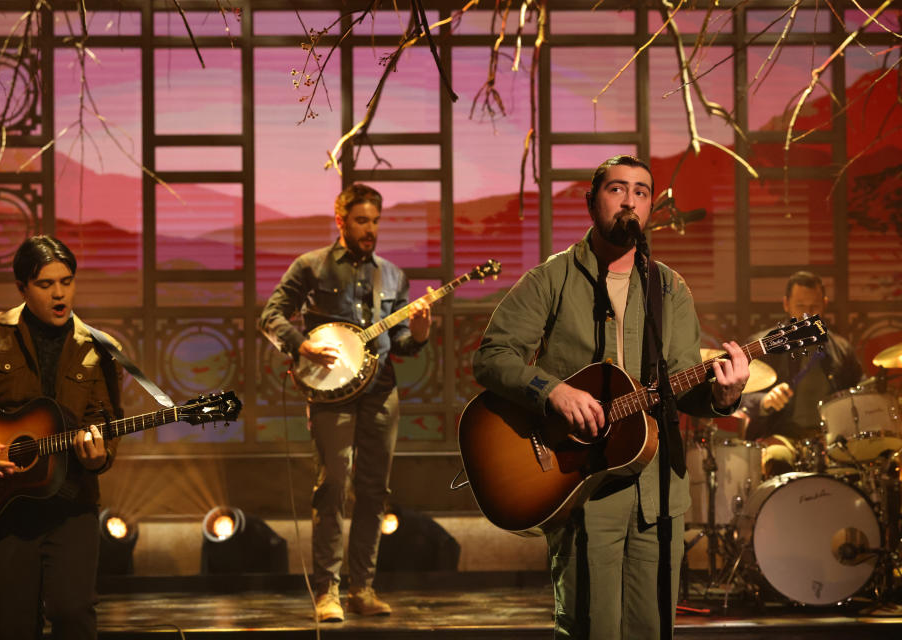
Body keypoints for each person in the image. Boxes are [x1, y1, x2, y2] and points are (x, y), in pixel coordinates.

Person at [472, 155, 749, 640]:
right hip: (580, 485)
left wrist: (724, 397)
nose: (630, 201)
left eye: (641, 192)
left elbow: (683, 382)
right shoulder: (551, 279)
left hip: (657, 490)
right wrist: (551, 391)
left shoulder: (669, 287)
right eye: (618, 189)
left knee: (650, 627)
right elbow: (493, 356)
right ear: (591, 201)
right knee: (591, 627)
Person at [259, 183, 431, 623]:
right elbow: (270, 316)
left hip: (381, 392)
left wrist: (422, 332)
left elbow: (402, 344)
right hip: (330, 394)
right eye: (361, 221)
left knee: (374, 492)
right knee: (333, 487)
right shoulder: (311, 266)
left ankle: (362, 588)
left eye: (375, 221)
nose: (370, 229)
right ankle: (327, 591)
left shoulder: (392, 276)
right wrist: (302, 346)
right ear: (340, 220)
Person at [0, 235, 122, 640]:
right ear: (22, 288)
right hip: (0, 508)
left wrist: (97, 456)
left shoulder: (100, 349)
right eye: (45, 284)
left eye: (67, 281)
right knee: (11, 625)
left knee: (73, 613)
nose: (60, 293)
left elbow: (106, 424)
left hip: (71, 504)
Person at [741, 270, 863, 475]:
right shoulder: (764, 347)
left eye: (814, 306)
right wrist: (764, 401)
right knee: (776, 460)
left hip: (830, 439)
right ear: (786, 304)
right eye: (800, 306)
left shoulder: (841, 349)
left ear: (824, 304)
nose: (807, 314)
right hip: (781, 436)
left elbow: (859, 389)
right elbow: (735, 398)